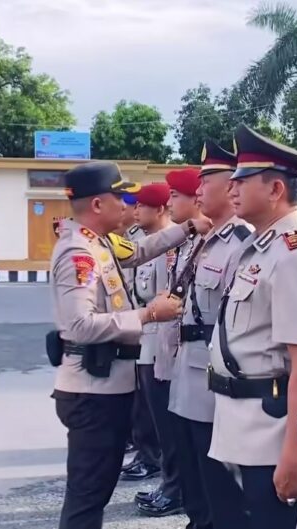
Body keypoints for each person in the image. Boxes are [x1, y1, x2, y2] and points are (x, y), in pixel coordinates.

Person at [49, 161, 211, 529]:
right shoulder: (78, 252)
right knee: (87, 496)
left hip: (107, 385)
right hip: (93, 391)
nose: (126, 206)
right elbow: (80, 325)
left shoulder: (100, 241)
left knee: (96, 490)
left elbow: (138, 252)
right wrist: (149, 314)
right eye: (119, 198)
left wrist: (188, 228)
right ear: (97, 204)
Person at [207, 125, 297, 528]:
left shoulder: (295, 255)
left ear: (276, 189)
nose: (232, 188)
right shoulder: (260, 247)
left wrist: (295, 453)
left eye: (242, 180)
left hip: (270, 433)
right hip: (238, 424)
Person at [168, 140, 253, 529]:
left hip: (212, 384)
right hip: (185, 375)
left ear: (230, 185)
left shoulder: (242, 243)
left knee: (220, 488)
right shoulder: (203, 238)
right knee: (193, 481)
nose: (198, 190)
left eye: (206, 181)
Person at [134, 167, 206, 516]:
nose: (171, 201)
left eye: (176, 195)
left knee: (178, 432)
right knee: (168, 427)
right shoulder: (181, 240)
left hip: (183, 349)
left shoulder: (199, 241)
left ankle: (175, 488)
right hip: (162, 342)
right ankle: (173, 485)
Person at [120, 182, 184, 516]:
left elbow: (169, 298)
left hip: (162, 343)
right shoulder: (143, 243)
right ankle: (167, 482)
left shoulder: (169, 246)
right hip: (145, 339)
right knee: (152, 416)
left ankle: (174, 487)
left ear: (158, 210)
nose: (135, 211)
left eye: (142, 206)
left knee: (167, 424)